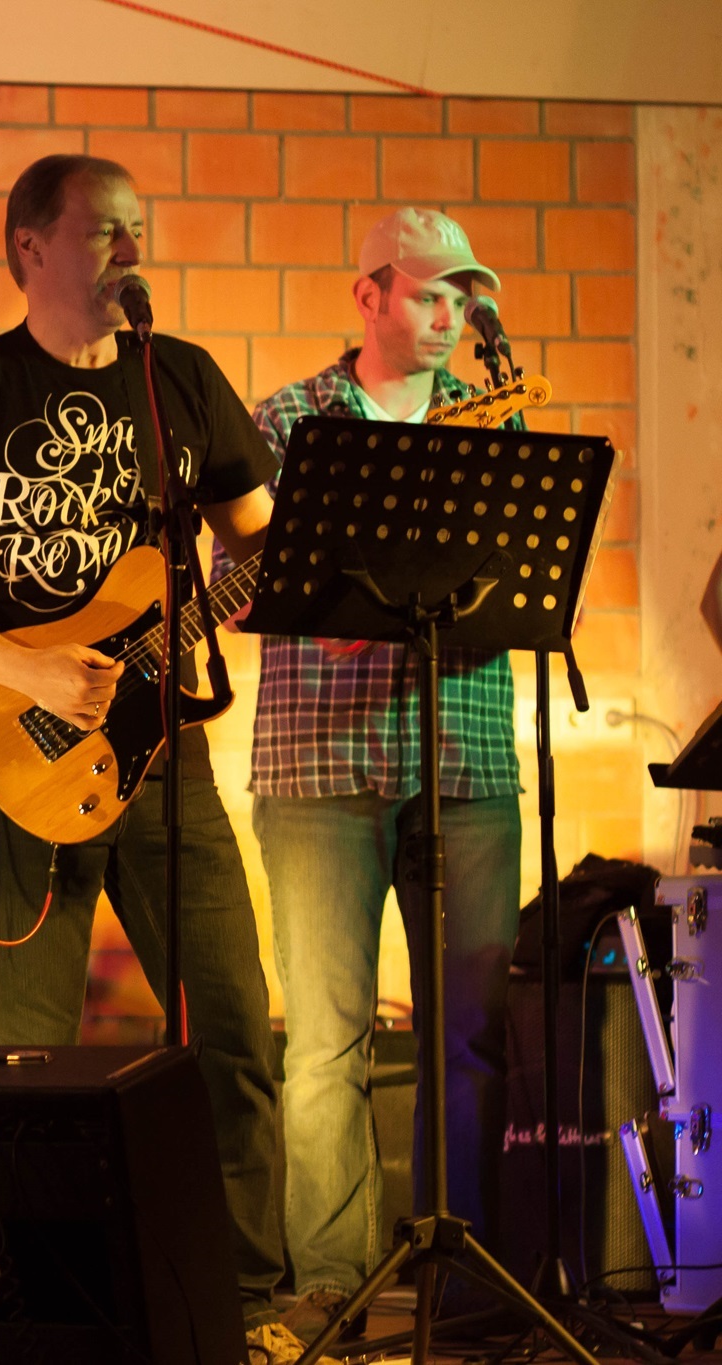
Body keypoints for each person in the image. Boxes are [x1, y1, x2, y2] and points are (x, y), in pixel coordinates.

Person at [0, 153, 307, 1362]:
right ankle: (37, 1315)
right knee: (26, 1066)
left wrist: (261, 584)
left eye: (137, 231)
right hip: (25, 765)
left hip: (167, 761)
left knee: (231, 1035)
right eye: (105, 232)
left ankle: (247, 1302)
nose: (130, 253)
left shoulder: (182, 380)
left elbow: (256, 550)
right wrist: (30, 675)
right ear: (29, 248)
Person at [248, 208, 522, 1343]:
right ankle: (331, 1289)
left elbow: (522, 578)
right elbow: (247, 576)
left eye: (462, 299)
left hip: (466, 750)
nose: (450, 317)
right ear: (368, 296)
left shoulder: (490, 418)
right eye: (427, 295)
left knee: (471, 1033)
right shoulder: (288, 422)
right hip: (319, 756)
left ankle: (462, 1287)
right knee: (325, 1042)